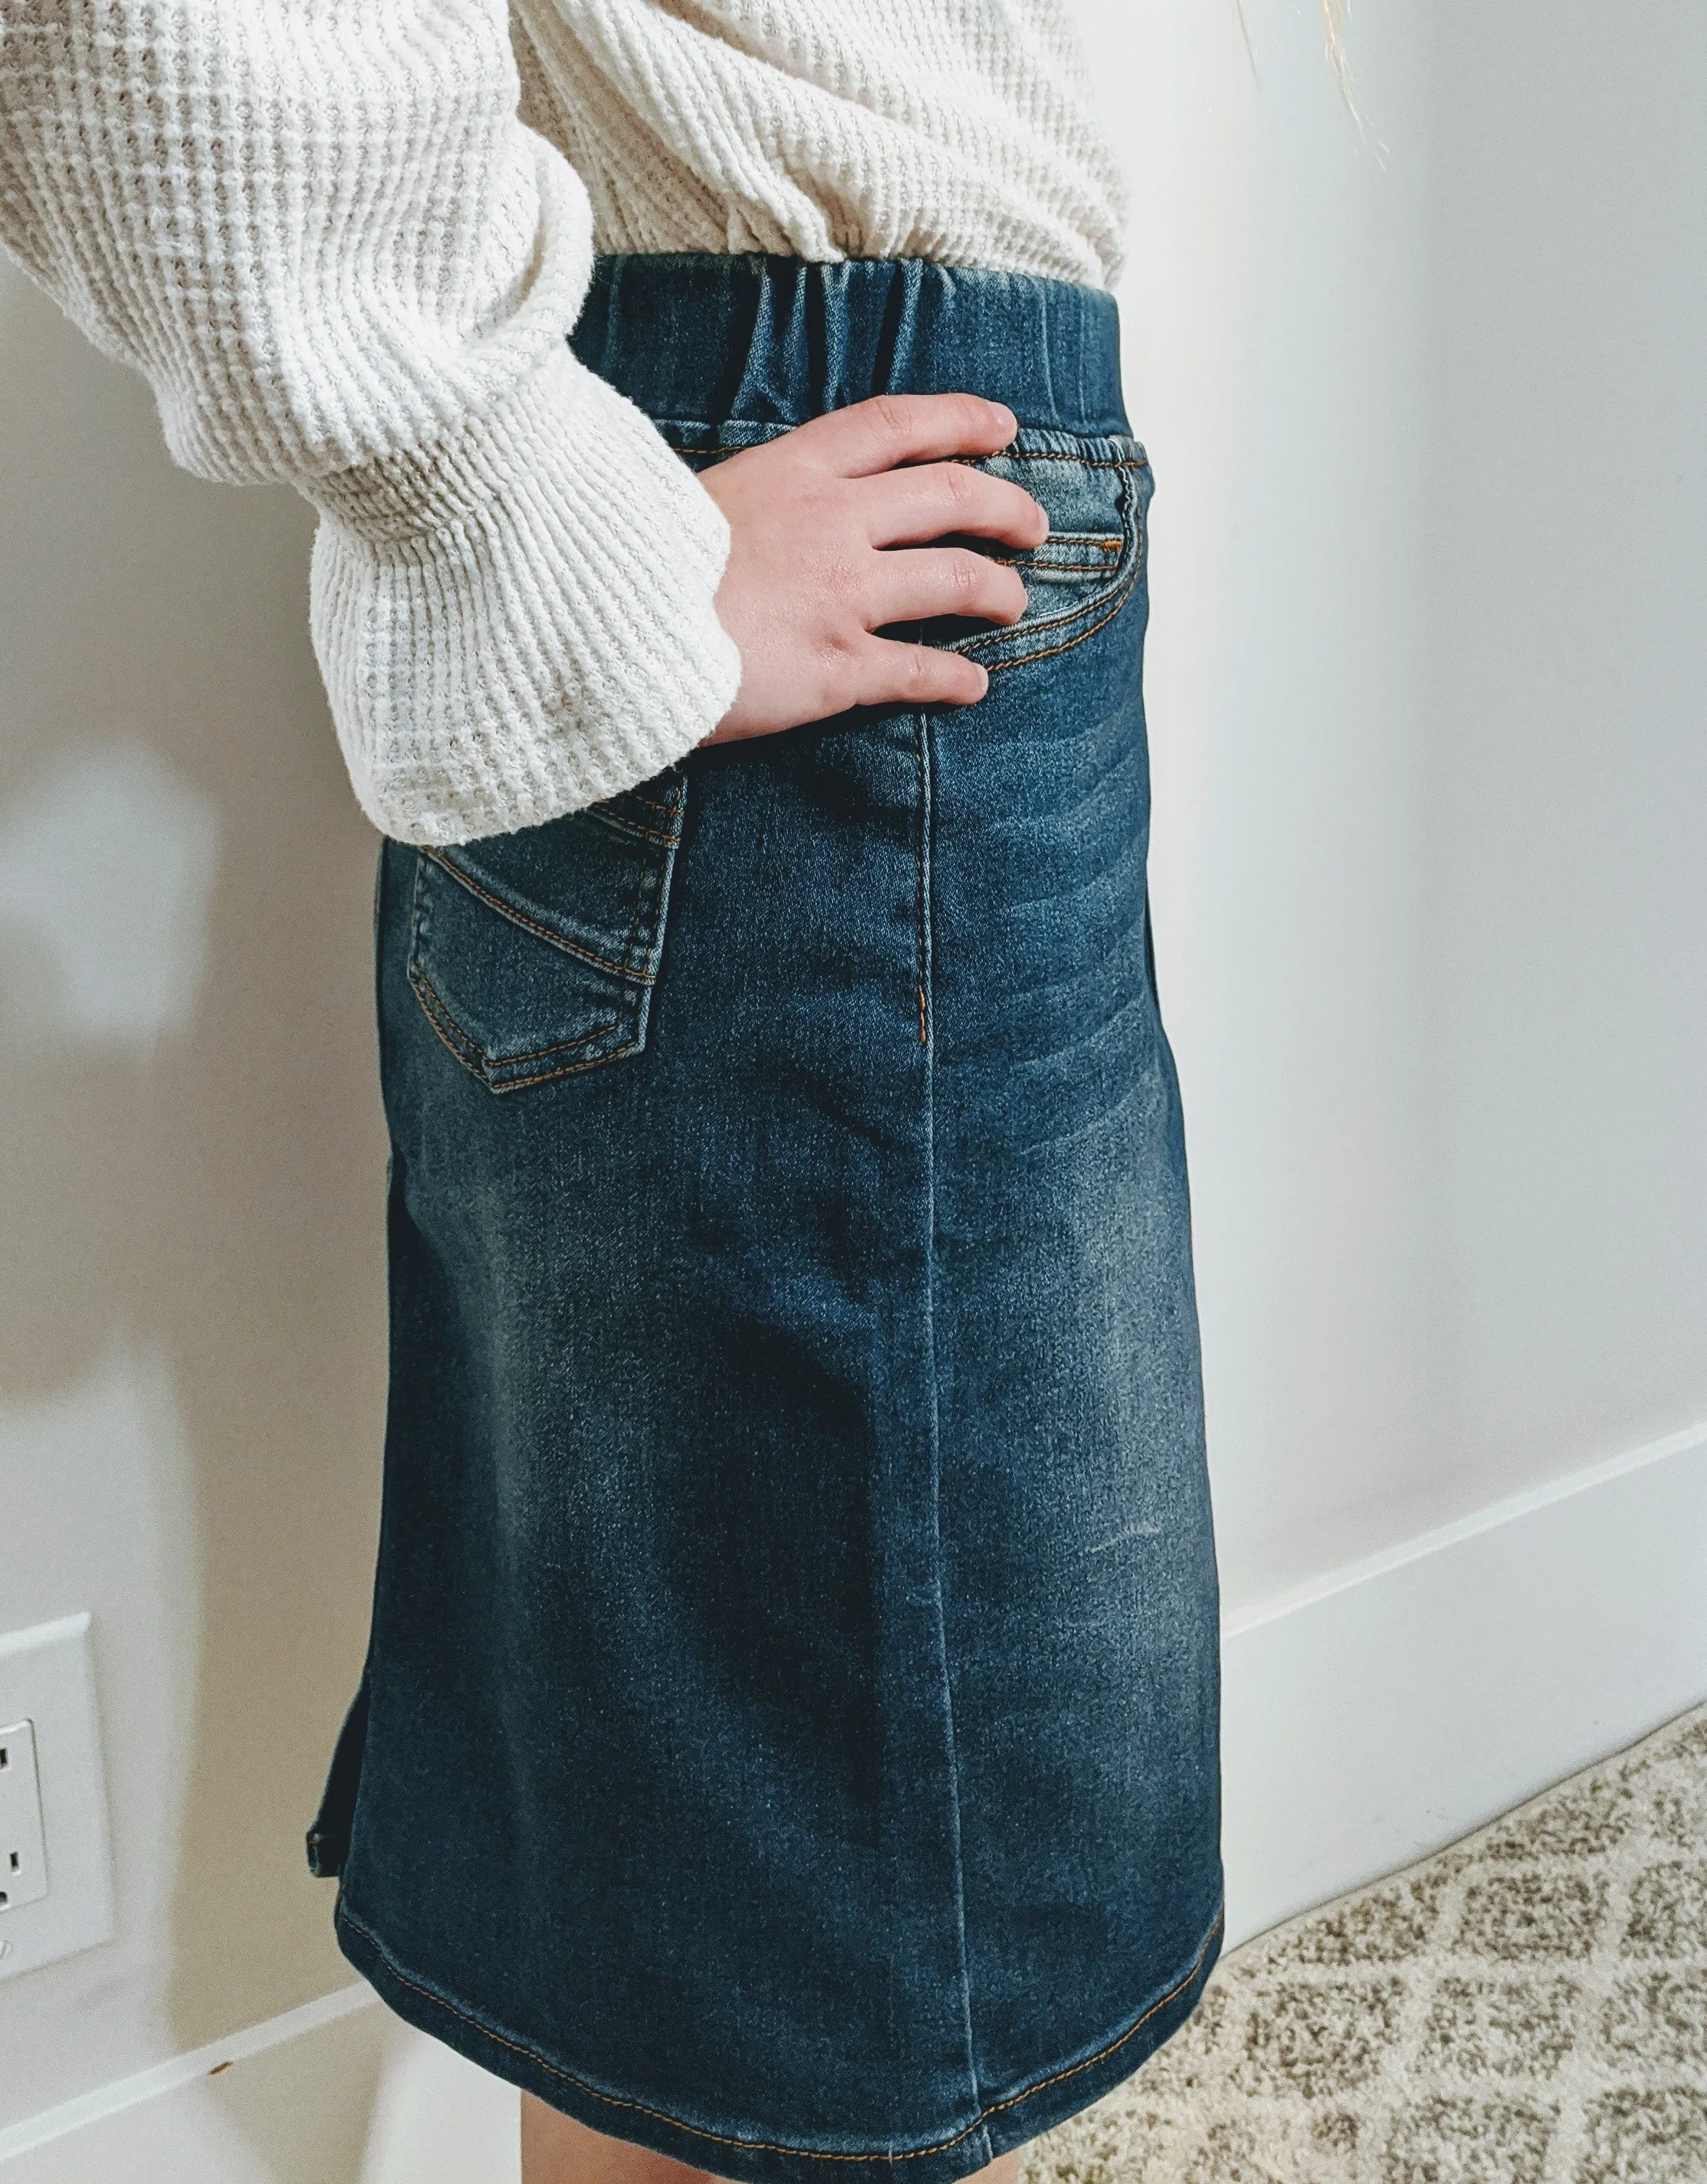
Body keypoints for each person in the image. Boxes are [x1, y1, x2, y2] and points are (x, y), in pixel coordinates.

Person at [0, 6, 1239, 2181]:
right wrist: (524, 502)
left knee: (718, 1852)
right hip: (803, 544)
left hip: (833, 522)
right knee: (798, 1936)